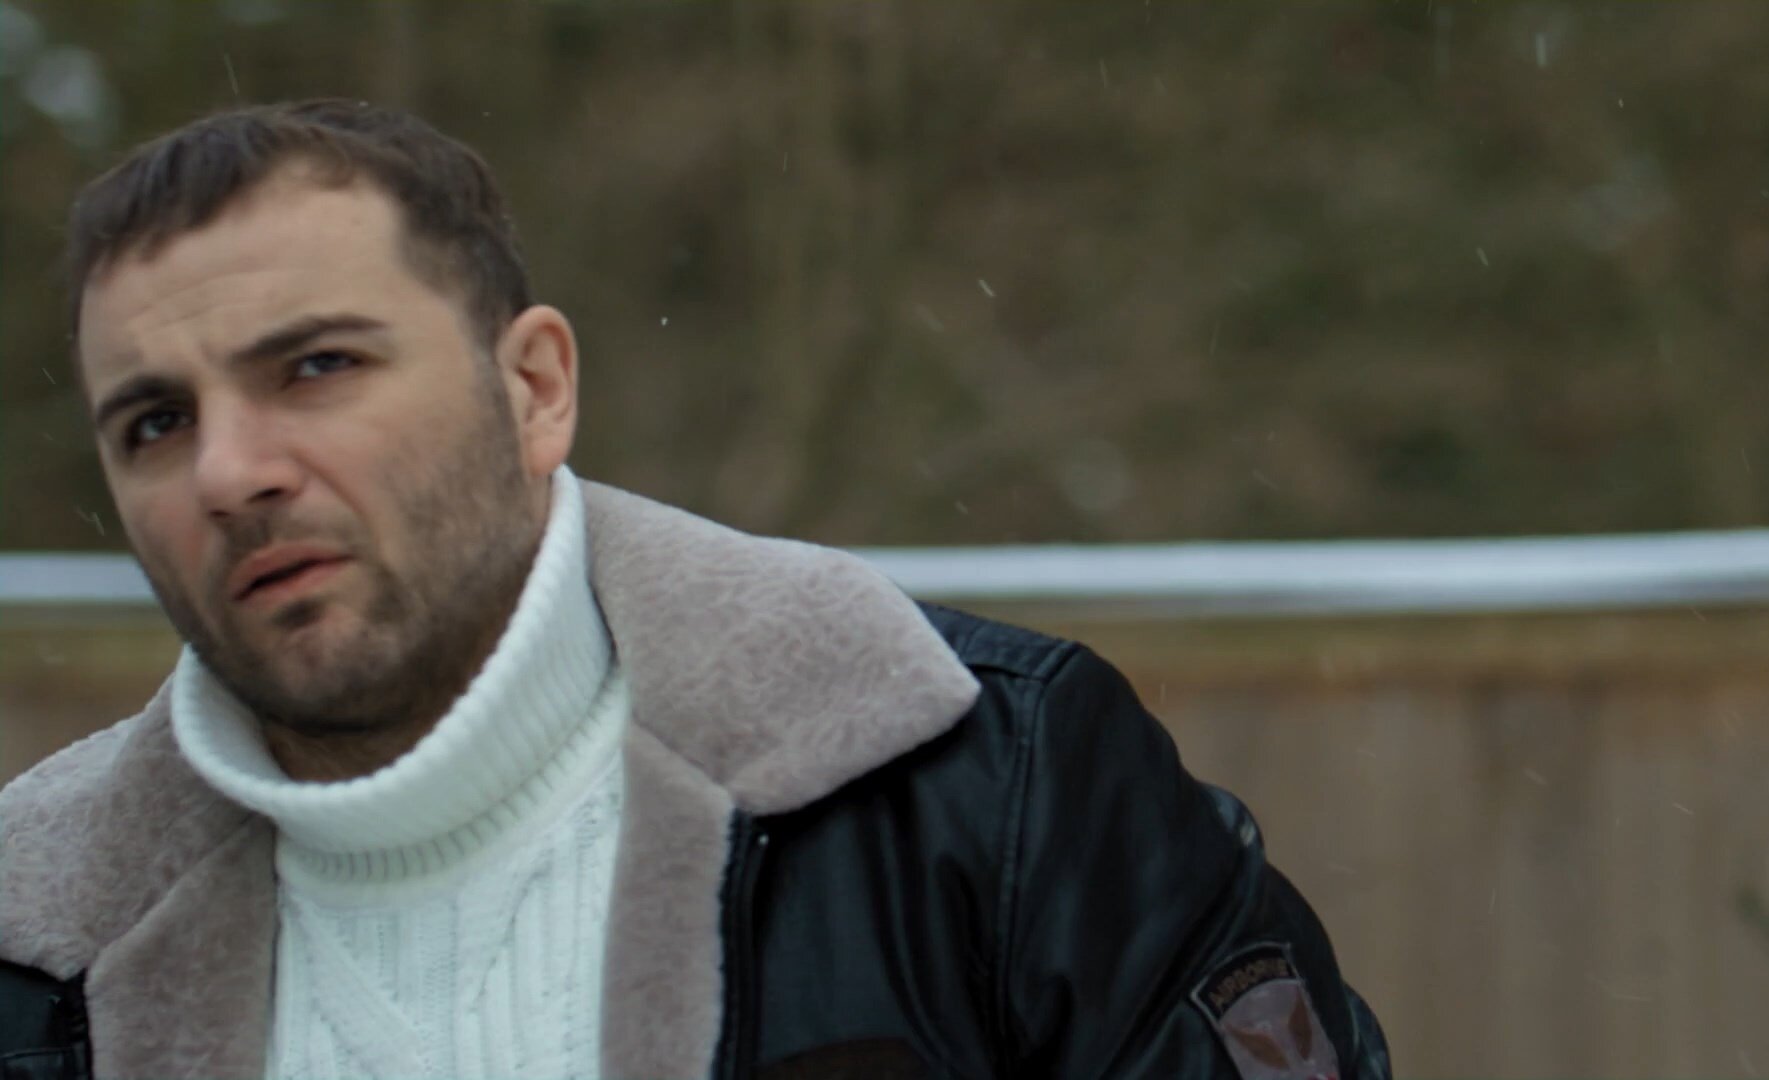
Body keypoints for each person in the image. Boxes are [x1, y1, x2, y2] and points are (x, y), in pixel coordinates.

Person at [0, 99, 1390, 1080]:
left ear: (534, 389)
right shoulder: (31, 959)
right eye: (155, 423)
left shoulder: (990, 795)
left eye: (316, 367)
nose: (230, 472)